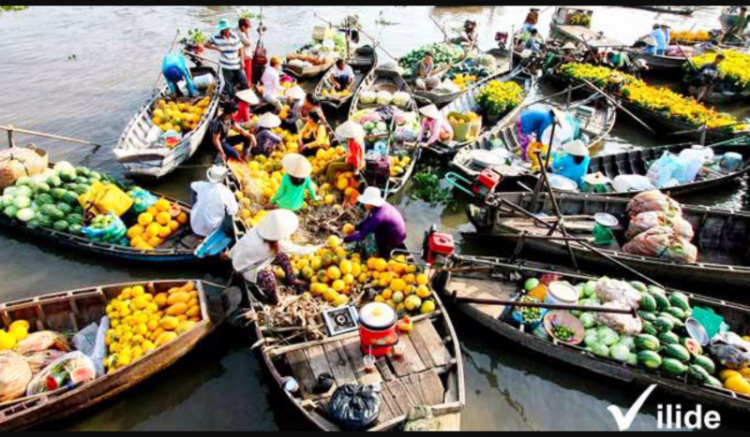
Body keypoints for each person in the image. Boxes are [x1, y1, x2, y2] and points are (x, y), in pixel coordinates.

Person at [229, 209, 314, 305]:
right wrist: (321, 246)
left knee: (281, 256)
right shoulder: (274, 244)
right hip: (244, 269)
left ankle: (292, 279)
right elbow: (300, 251)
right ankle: (273, 299)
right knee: (269, 277)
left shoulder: (258, 230)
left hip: (240, 257)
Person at [344, 187, 407, 258]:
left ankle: (385, 257)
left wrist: (344, 239)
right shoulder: (379, 207)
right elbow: (368, 220)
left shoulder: (378, 216)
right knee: (370, 230)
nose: (363, 204)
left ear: (371, 203)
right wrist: (356, 227)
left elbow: (362, 235)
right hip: (394, 232)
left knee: (374, 241)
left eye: (365, 202)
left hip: (394, 237)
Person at [190, 165, 239, 237]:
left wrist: (195, 202)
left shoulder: (201, 185)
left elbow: (192, 186)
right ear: (222, 178)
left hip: (194, 224)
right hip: (211, 229)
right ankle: (227, 233)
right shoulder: (225, 192)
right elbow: (233, 211)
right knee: (230, 212)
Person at [205, 19, 248, 97]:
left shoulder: (234, 36)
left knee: (244, 81)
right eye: (225, 29)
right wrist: (216, 48)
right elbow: (206, 45)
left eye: (227, 28)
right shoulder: (215, 37)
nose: (226, 30)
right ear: (222, 29)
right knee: (229, 84)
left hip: (236, 63)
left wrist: (242, 61)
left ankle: (244, 97)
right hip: (226, 65)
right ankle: (231, 100)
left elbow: (241, 48)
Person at [237, 18, 254, 84]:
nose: (248, 29)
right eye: (247, 28)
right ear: (243, 27)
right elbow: (249, 43)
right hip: (245, 57)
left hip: (242, 56)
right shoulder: (241, 34)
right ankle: (247, 86)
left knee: (246, 74)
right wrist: (247, 33)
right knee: (248, 74)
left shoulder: (238, 32)